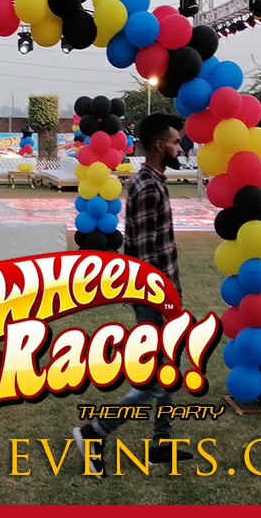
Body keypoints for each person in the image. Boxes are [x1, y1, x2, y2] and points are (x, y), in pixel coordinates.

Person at [74, 113, 195, 473]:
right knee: (159, 378)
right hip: (155, 297)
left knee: (170, 368)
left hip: (165, 293)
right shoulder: (148, 187)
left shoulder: (153, 180)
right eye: (175, 142)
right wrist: (162, 301)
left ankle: (161, 443)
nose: (180, 148)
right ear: (159, 146)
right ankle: (95, 432)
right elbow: (143, 254)